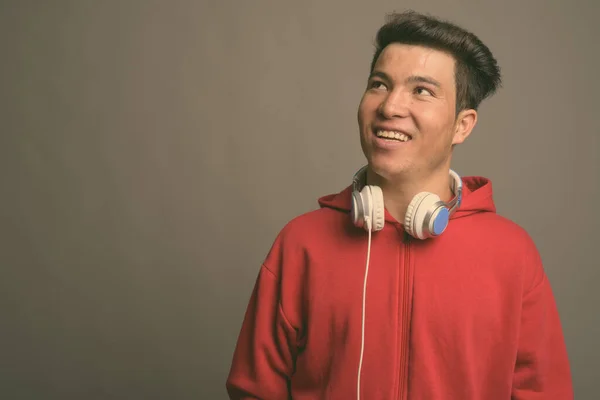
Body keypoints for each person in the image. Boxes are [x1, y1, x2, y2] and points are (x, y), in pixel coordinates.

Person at [225, 10, 573, 400]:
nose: (390, 107)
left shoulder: (513, 254)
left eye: (421, 90)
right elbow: (254, 391)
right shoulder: (300, 243)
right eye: (379, 84)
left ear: (463, 125)